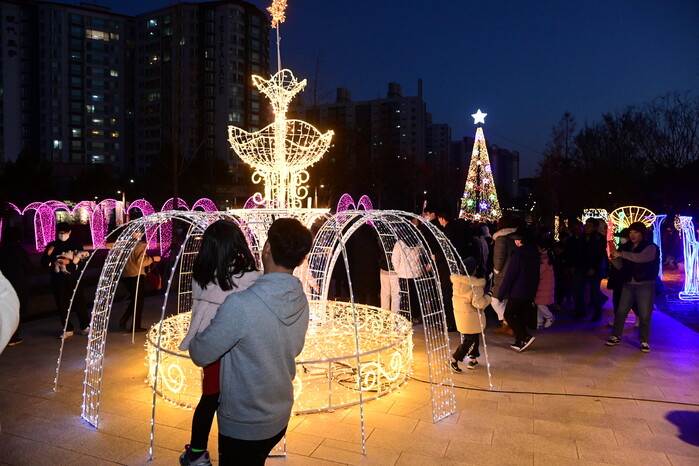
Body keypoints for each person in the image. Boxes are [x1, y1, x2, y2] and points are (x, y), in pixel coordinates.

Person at [188, 218, 312, 465]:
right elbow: (295, 348)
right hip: (279, 413)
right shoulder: (300, 297)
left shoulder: (240, 305)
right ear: (300, 260)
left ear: (267, 248)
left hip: (244, 423)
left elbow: (200, 354)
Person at [179, 220, 261, 466]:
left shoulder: (202, 274)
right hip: (235, 347)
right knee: (231, 402)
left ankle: (197, 453)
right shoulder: (246, 277)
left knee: (210, 399)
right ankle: (230, 453)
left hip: (209, 344)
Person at [606, 222, 659, 353]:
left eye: (636, 232)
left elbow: (641, 258)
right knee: (621, 311)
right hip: (628, 283)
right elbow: (621, 266)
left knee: (645, 314)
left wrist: (622, 254)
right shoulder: (626, 247)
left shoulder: (651, 247)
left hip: (645, 284)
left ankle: (644, 340)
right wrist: (612, 256)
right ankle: (616, 335)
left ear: (642, 233)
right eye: (630, 232)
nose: (632, 235)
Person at [41, 222, 91, 338]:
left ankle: (85, 326)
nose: (62, 235)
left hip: (73, 278)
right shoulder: (52, 245)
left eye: (64, 233)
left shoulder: (76, 244)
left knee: (79, 302)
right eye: (59, 233)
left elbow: (82, 260)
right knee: (62, 304)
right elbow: (44, 263)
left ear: (69, 232)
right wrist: (48, 254)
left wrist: (70, 262)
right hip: (58, 279)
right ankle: (67, 328)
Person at [496, 227, 540, 352]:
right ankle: (519, 340)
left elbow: (510, 275)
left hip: (518, 290)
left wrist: (501, 293)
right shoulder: (534, 253)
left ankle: (525, 337)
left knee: (509, 314)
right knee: (520, 315)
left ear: (520, 240)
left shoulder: (519, 254)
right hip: (529, 289)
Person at [449, 260, 491, 372]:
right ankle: (454, 359)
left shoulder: (457, 282)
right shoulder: (475, 285)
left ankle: (473, 359)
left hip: (461, 316)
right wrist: (489, 296)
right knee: (469, 340)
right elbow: (479, 303)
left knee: (473, 337)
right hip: (471, 318)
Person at [119, 231, 161, 332]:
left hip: (126, 275)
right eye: (137, 232)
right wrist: (153, 259)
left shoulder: (125, 245)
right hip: (136, 276)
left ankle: (125, 319)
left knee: (136, 300)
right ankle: (135, 326)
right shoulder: (138, 245)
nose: (140, 234)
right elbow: (140, 262)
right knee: (139, 301)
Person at [0, 227, 32, 345]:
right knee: (17, 309)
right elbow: (29, 268)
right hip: (18, 285)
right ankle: (13, 336)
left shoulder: (1, 251)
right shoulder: (20, 251)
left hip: (3, 284)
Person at [572, 218, 607, 321]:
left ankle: (597, 313)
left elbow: (600, 255)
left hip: (595, 269)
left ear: (595, 227)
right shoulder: (581, 237)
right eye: (586, 225)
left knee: (594, 290)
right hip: (581, 267)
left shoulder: (599, 238)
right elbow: (577, 253)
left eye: (589, 225)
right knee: (577, 289)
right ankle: (581, 311)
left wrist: (593, 268)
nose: (587, 227)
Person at [491, 216, 518, 335]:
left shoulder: (501, 238)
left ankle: (510, 323)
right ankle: (506, 325)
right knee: (506, 300)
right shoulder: (514, 237)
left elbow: (499, 257)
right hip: (513, 272)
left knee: (495, 300)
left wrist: (496, 270)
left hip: (503, 273)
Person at [535, 238, 556, 329]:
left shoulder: (545, 258)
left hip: (544, 284)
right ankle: (539, 321)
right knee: (539, 303)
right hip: (543, 284)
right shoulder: (546, 256)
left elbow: (539, 271)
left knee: (540, 303)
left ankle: (549, 317)